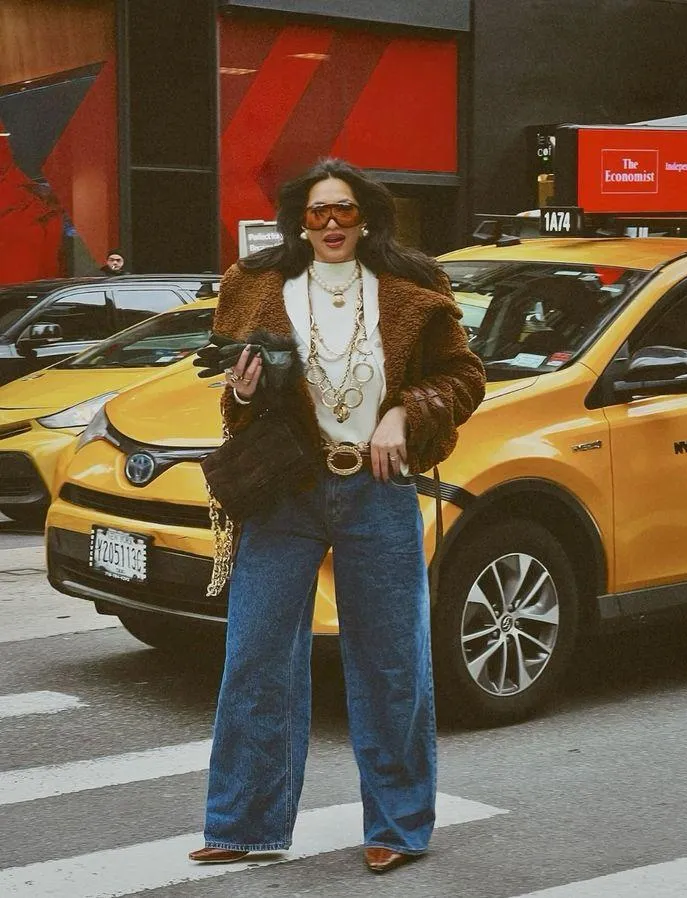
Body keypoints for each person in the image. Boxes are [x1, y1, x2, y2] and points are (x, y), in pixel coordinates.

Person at [189, 158, 486, 874]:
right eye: (318, 212)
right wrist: (248, 390)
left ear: (366, 219)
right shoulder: (256, 287)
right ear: (298, 219)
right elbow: (233, 409)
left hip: (376, 490)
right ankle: (243, 823)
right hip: (285, 489)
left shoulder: (413, 287)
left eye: (344, 211)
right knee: (256, 656)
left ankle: (398, 825)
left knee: (391, 664)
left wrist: (403, 416)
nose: (330, 224)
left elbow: (464, 376)